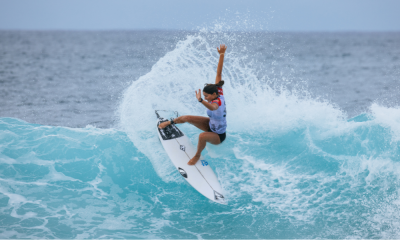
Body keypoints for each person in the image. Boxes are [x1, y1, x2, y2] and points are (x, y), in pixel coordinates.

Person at [158, 44, 228, 165]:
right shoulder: (218, 90)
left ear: (213, 95)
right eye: (204, 96)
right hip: (210, 125)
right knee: (187, 118)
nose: (206, 98)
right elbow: (219, 73)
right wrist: (221, 54)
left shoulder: (217, 103)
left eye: (207, 96)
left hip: (218, 136)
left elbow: (213, 107)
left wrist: (201, 101)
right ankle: (169, 123)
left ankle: (197, 156)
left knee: (202, 136)